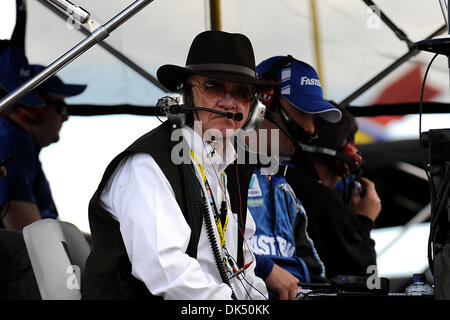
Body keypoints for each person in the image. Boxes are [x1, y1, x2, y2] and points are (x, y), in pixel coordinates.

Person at [83, 31, 273, 300]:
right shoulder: (148, 165)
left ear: (253, 109)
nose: (229, 103)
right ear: (186, 95)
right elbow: (165, 270)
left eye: (242, 93)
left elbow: (242, 267)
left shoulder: (225, 169)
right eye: (213, 87)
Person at [244, 55, 342, 299]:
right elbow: (209, 256)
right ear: (263, 103)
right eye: (302, 112)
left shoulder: (284, 187)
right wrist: (265, 270)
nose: (310, 129)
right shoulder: (218, 174)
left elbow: (314, 275)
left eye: (313, 117)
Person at [0, 42, 86, 230]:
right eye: (60, 108)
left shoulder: (20, 143)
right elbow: (28, 233)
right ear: (34, 112)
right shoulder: (12, 140)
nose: (66, 117)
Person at [286, 107, 381, 278]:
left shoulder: (276, 179)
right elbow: (364, 278)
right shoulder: (323, 202)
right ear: (344, 161)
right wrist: (364, 221)